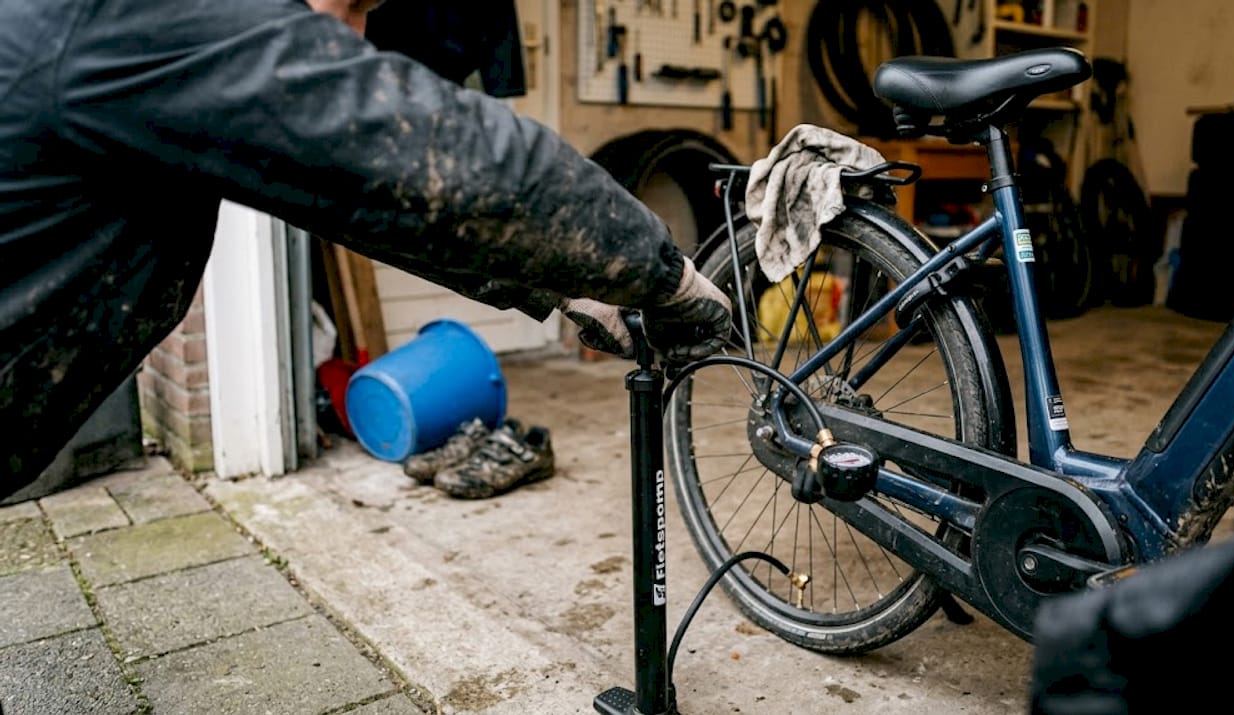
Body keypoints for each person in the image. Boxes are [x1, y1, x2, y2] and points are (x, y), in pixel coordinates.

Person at [0, 0, 732, 497]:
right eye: (348, 9)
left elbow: (371, 205)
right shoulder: (151, 20)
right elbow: (459, 160)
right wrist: (665, 273)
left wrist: (558, 289)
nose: (351, 38)